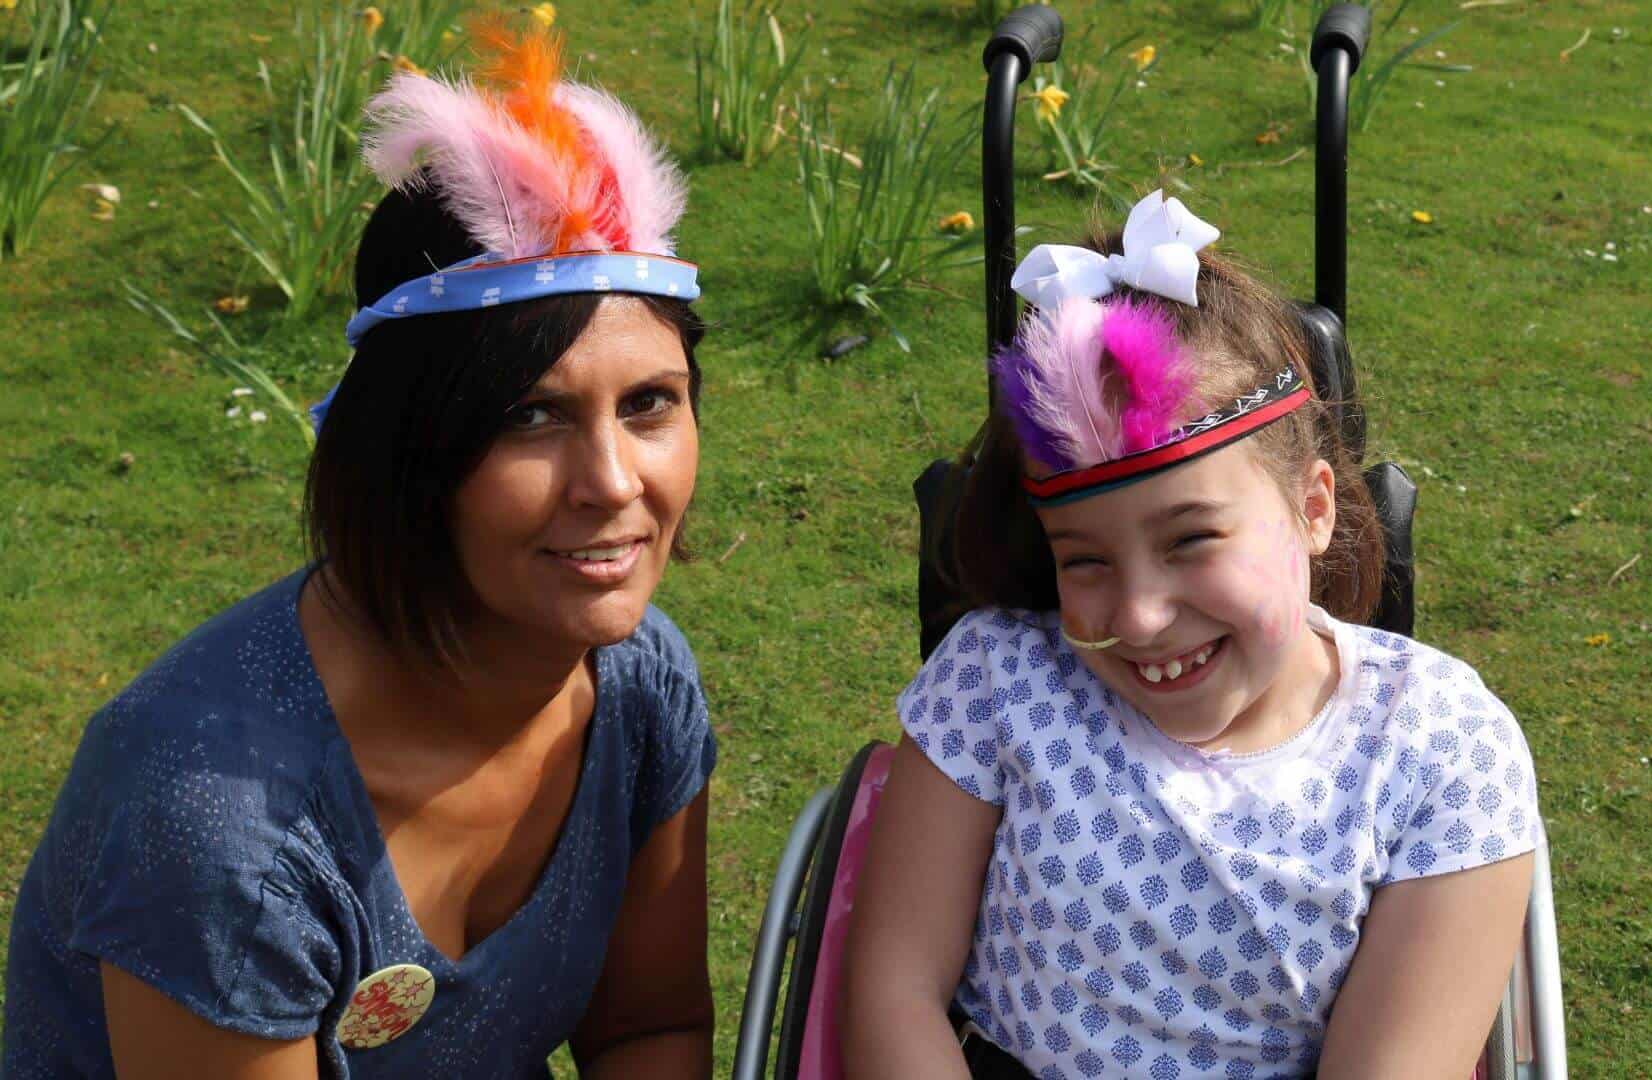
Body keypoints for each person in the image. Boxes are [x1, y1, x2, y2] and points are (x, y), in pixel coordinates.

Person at [5, 21, 716, 1077]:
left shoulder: (639, 686)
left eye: (650, 404)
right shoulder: (223, 835)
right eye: (530, 417)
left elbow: (649, 1030)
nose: (615, 482)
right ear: (408, 453)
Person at [844, 190, 1541, 1079]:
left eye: (1190, 540)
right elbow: (893, 992)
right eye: (1085, 561)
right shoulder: (994, 684)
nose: (1136, 616)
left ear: (1313, 506)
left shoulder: (1441, 752)